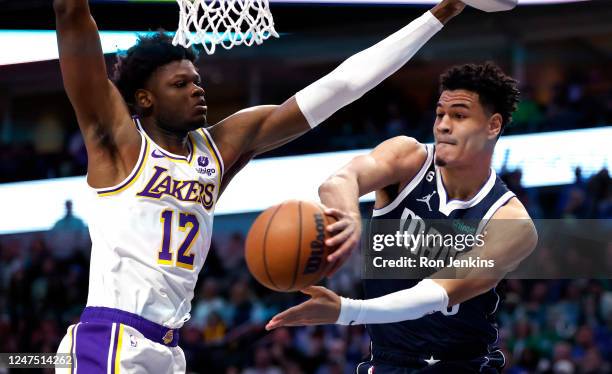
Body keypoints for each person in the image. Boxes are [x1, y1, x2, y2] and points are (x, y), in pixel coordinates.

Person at [52, 0, 467, 372]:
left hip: (168, 347)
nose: (197, 89)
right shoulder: (118, 143)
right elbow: (71, 14)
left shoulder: (218, 148)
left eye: (197, 80)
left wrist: (440, 13)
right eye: (180, 84)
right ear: (144, 99)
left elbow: (341, 87)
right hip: (111, 341)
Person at [266, 62, 539, 373]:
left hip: (463, 367)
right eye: (440, 114)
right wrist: (350, 218)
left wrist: (347, 311)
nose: (443, 125)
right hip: (386, 364)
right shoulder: (409, 159)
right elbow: (339, 181)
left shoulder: (512, 222)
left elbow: (437, 293)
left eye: (459, 116)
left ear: (492, 126)